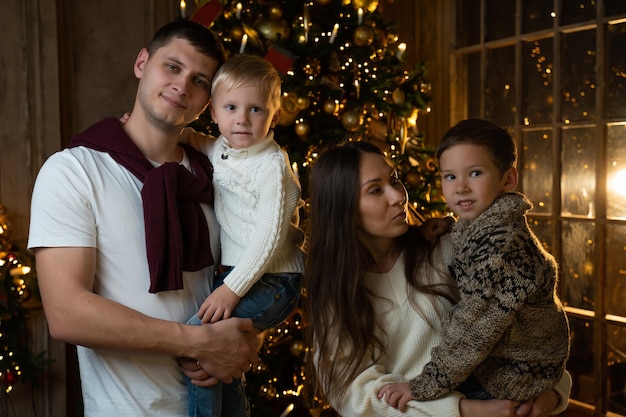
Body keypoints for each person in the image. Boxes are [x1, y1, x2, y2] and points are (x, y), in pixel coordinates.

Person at [27, 20, 261, 417]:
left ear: (208, 100)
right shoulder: (74, 170)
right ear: (141, 63)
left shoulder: (219, 176)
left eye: (199, 80)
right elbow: (67, 312)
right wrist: (198, 342)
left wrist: (245, 338)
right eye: (172, 67)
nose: (182, 86)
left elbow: (239, 280)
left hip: (219, 403)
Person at [305, 140, 571, 417]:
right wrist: (466, 410)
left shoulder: (449, 247)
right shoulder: (336, 293)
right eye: (375, 190)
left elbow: (537, 319)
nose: (398, 196)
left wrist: (553, 393)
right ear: (343, 208)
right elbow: (355, 397)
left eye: (394, 180)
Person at [182, 54, 305, 416]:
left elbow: (268, 240)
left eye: (256, 109)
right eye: (231, 107)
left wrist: (231, 289)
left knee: (200, 336)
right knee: (224, 363)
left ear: (274, 117)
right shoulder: (222, 147)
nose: (242, 118)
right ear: (214, 113)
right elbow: (195, 139)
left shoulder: (272, 168)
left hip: (274, 280)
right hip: (238, 276)